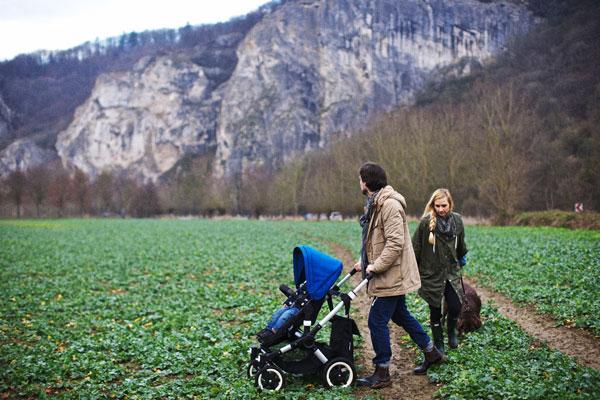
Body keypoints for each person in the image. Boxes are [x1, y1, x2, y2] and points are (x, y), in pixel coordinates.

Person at [354, 162, 443, 388]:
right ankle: (431, 352)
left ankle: (382, 371)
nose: (359, 183)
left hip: (392, 274)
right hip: (389, 272)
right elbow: (377, 241)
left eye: (360, 179)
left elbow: (394, 244)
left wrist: (376, 266)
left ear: (367, 181)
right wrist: (364, 262)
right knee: (400, 315)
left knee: (376, 320)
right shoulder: (376, 204)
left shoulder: (390, 205)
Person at [412, 188, 468, 358]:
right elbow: (416, 248)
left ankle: (451, 332)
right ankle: (438, 343)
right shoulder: (425, 223)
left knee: (456, 306)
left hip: (450, 273)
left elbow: (461, 246)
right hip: (431, 275)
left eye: (444, 205)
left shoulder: (457, 221)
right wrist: (415, 271)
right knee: (435, 311)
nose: (441, 209)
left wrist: (461, 258)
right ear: (433, 205)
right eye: (437, 206)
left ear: (450, 204)